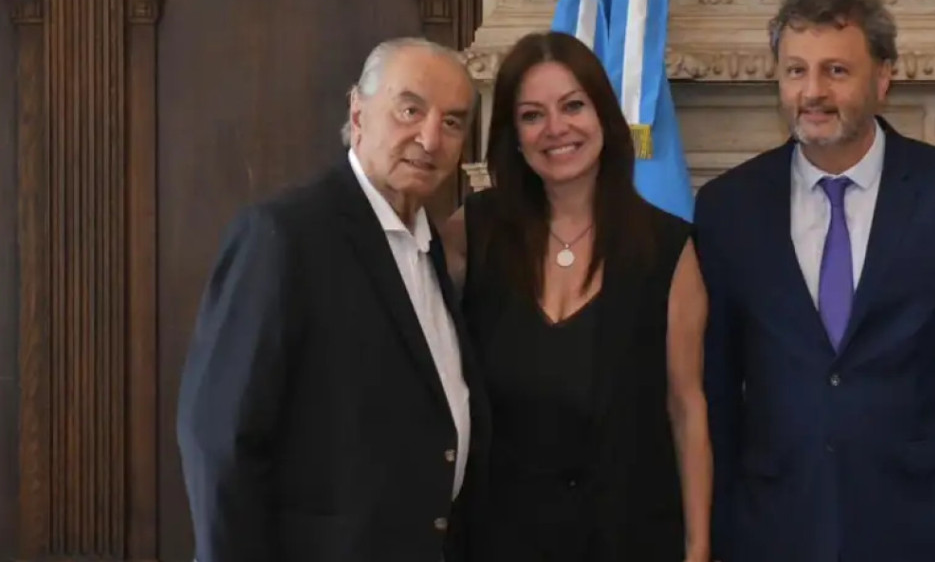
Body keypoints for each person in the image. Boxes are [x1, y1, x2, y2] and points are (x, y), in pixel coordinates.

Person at [695, 0, 935, 562]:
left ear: (883, 77)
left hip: (927, 535)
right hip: (774, 534)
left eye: (836, 71)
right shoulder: (728, 208)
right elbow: (714, 399)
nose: (812, 92)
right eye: (794, 71)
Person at [176, 37, 489, 562]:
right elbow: (219, 444)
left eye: (453, 122)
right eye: (410, 109)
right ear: (358, 112)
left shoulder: (429, 247)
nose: (431, 138)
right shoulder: (284, 237)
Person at [440, 30, 712, 562]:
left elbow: (686, 407)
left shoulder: (669, 248)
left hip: (628, 536)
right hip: (497, 539)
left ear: (604, 119)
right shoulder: (471, 232)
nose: (556, 129)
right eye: (532, 115)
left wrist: (698, 549)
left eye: (573, 106)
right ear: (513, 134)